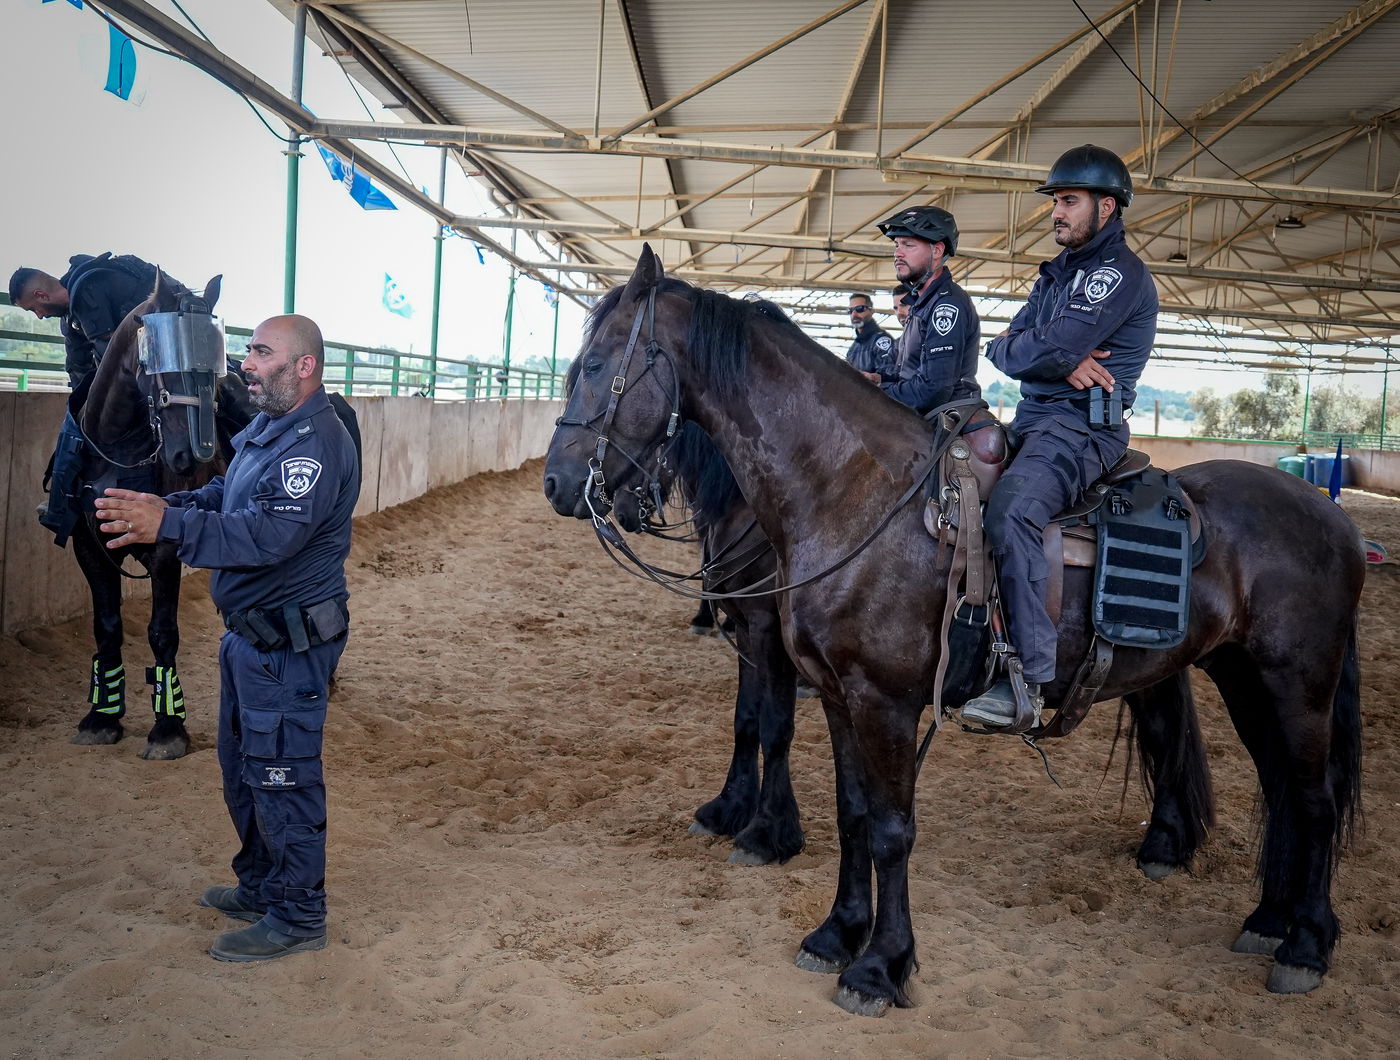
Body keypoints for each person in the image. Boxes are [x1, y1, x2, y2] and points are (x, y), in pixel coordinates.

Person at [95, 314, 360, 961]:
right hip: (251, 639)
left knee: (281, 776)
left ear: (304, 366)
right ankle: (264, 883)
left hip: (287, 646)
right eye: (247, 349)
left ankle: (298, 917)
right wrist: (175, 510)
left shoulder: (313, 443)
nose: (246, 361)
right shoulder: (269, 426)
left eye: (261, 351)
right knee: (242, 771)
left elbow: (268, 537)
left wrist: (171, 529)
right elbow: (228, 493)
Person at [960, 144, 1159, 731]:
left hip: (1081, 430)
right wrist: (1058, 359)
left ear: (1107, 207)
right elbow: (1002, 348)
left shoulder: (1116, 274)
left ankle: (1027, 675)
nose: (1056, 212)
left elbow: (1033, 347)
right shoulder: (1056, 276)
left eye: (1069, 202)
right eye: (1056, 201)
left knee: (1014, 512)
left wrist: (1046, 353)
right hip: (1033, 420)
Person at [10, 253, 172, 544]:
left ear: (40, 294)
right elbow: (79, 368)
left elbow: (109, 355)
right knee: (73, 423)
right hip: (141, 369)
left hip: (169, 358)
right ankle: (61, 501)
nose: (39, 316)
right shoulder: (69, 316)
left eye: (34, 308)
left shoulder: (87, 290)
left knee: (227, 396)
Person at [866, 206, 981, 414]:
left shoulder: (947, 305)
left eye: (908, 245)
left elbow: (933, 390)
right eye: (897, 245)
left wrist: (875, 393)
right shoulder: (921, 303)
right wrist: (878, 380)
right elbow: (908, 372)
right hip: (919, 414)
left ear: (937, 250)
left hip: (945, 417)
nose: (898, 254)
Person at [843, 291, 897, 379]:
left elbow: (890, 373)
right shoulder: (853, 349)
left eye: (859, 309)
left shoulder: (882, 340)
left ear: (871, 311)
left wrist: (874, 377)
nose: (854, 314)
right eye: (850, 310)